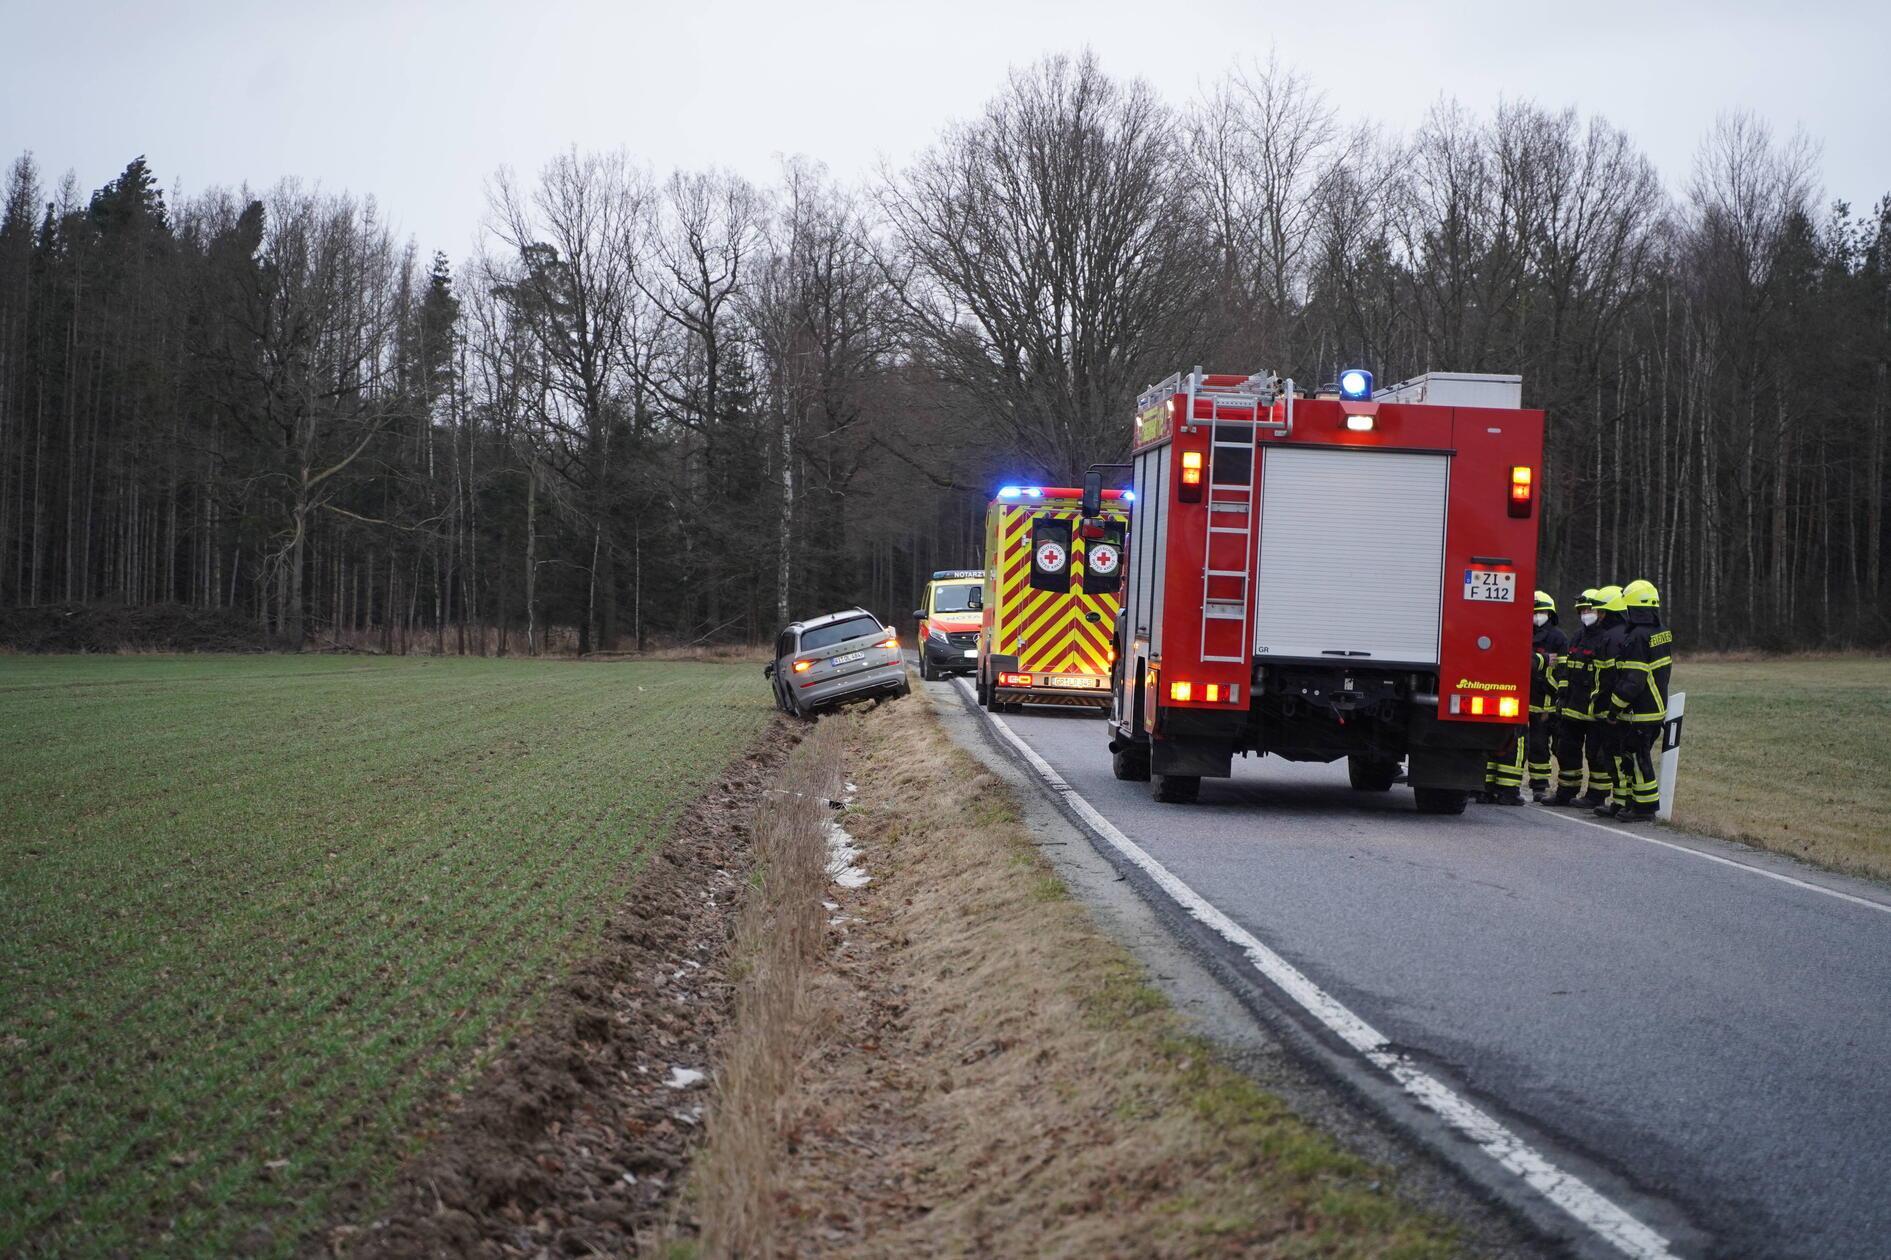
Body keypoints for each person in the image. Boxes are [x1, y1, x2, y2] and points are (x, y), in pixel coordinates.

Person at [1595, 579, 1673, 822]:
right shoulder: (1660, 632)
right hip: (1654, 706)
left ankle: (1644, 808)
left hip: (1640, 710)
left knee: (1638, 758)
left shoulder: (1637, 637)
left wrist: (1613, 708)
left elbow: (1633, 680)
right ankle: (1629, 802)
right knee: (1632, 757)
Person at [1548, 589, 1611, 807]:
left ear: (1601, 612)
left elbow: (1606, 676)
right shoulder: (1577, 636)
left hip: (1594, 710)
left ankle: (1596, 796)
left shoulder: (1606, 638)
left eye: (1590, 609)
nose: (1586, 613)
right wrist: (1561, 696)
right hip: (1572, 708)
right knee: (1566, 751)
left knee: (1596, 754)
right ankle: (1565, 792)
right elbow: (1566, 670)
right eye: (1583, 610)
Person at [1528, 590, 1569, 802]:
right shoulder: (1521, 632)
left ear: (1550, 613)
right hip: (1521, 697)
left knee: (1539, 745)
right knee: (1518, 743)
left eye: (1541, 611)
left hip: (1545, 702)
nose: (1537, 615)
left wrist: (1545, 683)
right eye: (1534, 611)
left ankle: (1539, 785)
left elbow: (1563, 673)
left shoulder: (1558, 638)